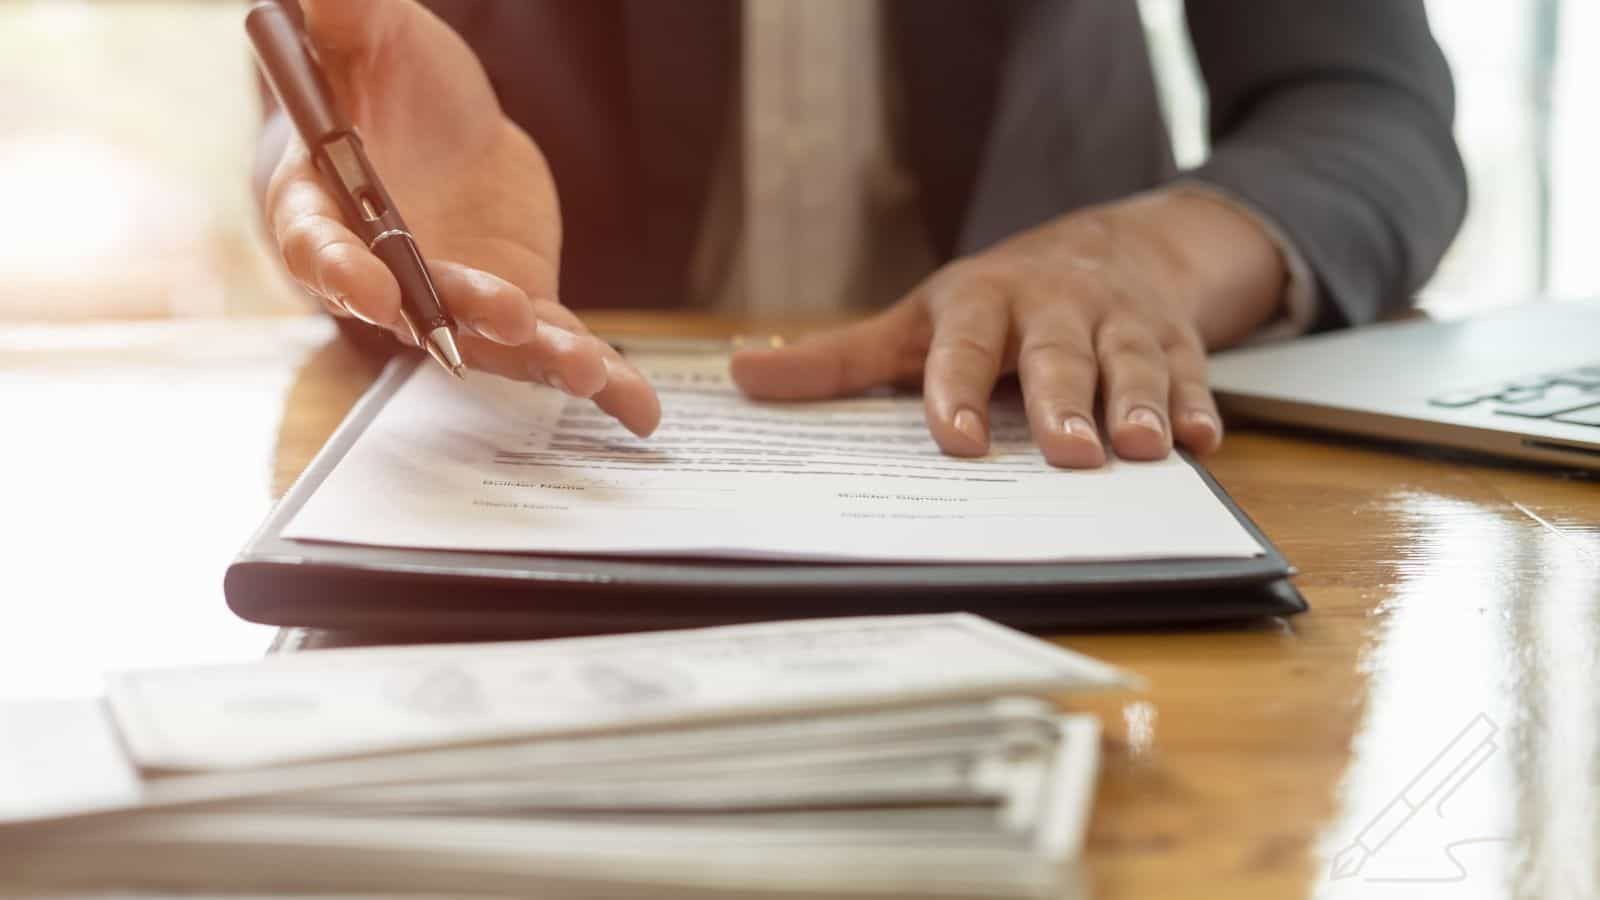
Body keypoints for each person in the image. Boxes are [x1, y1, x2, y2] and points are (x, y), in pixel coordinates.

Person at [257, 0, 1466, 469]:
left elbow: (1364, 107)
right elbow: (350, 75)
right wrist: (333, 183)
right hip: (571, 466)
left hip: (1059, 445)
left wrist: (1152, 256)